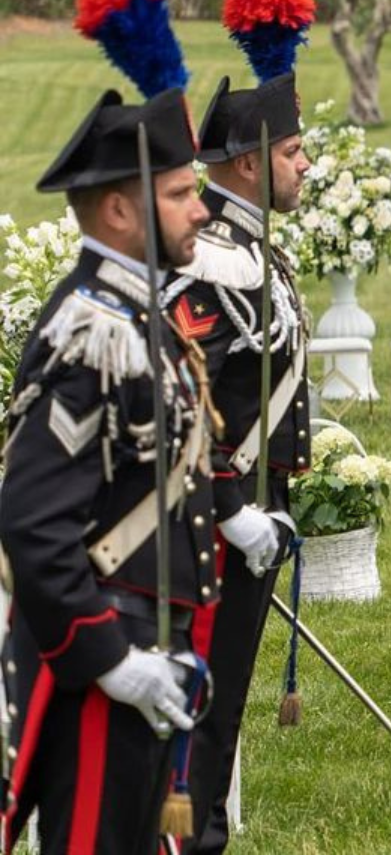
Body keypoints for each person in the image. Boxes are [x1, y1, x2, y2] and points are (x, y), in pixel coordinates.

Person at [0, 82, 219, 853]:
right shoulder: (92, 332)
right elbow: (31, 523)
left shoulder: (139, 318)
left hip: (153, 643)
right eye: (181, 193)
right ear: (121, 212)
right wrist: (109, 658)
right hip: (104, 663)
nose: (202, 209)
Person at [164, 0, 313, 854]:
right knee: (200, 705)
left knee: (225, 703)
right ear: (251, 161)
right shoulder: (212, 261)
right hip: (216, 519)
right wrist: (231, 507)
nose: (308, 168)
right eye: (296, 152)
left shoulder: (252, 250)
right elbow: (192, 401)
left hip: (260, 504)